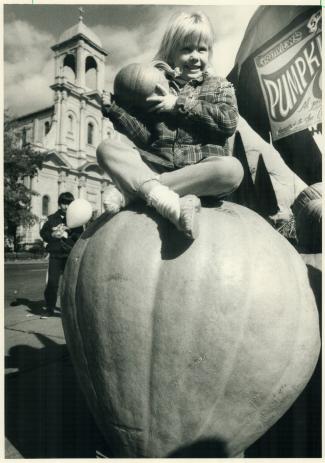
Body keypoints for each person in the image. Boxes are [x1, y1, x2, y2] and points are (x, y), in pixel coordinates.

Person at [97, 11, 244, 239]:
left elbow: (227, 123)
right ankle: (161, 195)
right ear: (171, 53)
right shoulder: (157, 86)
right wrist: (114, 110)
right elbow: (146, 138)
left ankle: (138, 191)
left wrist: (179, 104)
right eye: (186, 49)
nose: (195, 56)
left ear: (209, 52)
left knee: (231, 170)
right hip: (158, 164)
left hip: (199, 171)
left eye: (201, 49)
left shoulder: (220, 86)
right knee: (107, 148)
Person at [40, 192, 84, 317]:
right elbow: (43, 233)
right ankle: (49, 308)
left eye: (68, 204)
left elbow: (80, 236)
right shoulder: (52, 218)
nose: (66, 206)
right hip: (55, 254)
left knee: (70, 284)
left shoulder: (77, 219)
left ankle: (71, 309)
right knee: (53, 283)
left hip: (69, 255)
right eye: (64, 203)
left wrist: (69, 233)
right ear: (60, 204)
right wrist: (52, 235)